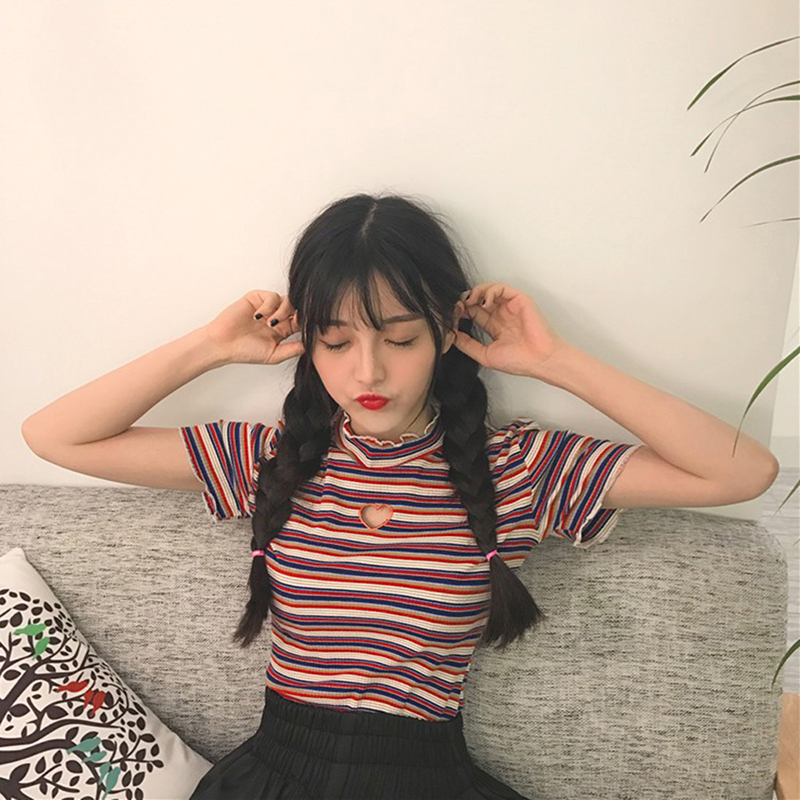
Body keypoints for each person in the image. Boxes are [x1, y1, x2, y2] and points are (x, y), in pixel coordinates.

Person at [21, 192, 779, 800]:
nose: (369, 372)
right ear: (309, 342)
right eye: (336, 341)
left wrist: (554, 361)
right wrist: (210, 348)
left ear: (446, 332)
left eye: (401, 338)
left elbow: (740, 473)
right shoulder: (273, 459)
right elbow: (56, 436)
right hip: (275, 778)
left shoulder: (516, 469)